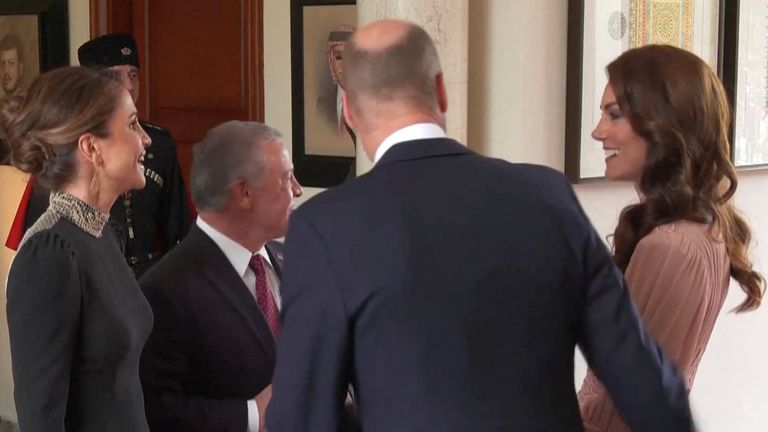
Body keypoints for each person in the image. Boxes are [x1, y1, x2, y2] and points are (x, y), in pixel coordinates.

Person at [265, 20, 695, 432]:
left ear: (349, 113)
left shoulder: (323, 228)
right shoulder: (547, 195)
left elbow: (297, 419)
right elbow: (643, 381)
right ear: (440, 91)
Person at [578, 45, 765, 432]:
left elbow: (623, 412)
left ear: (662, 124)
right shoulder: (705, 230)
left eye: (614, 115)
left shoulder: (670, 246)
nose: (598, 131)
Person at [4, 66, 153, 431]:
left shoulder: (104, 233)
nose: (146, 139)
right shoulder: (51, 252)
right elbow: (42, 417)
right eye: (132, 125)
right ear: (91, 147)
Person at [138, 120, 302, 432]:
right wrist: (253, 416)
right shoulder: (165, 289)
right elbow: (155, 409)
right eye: (286, 178)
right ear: (244, 193)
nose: (297, 189)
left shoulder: (292, 260)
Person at [77, 33, 191, 277]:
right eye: (116, 75)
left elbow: (178, 228)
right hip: (97, 276)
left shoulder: (158, 144)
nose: (129, 84)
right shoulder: (73, 148)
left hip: (153, 277)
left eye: (134, 74)